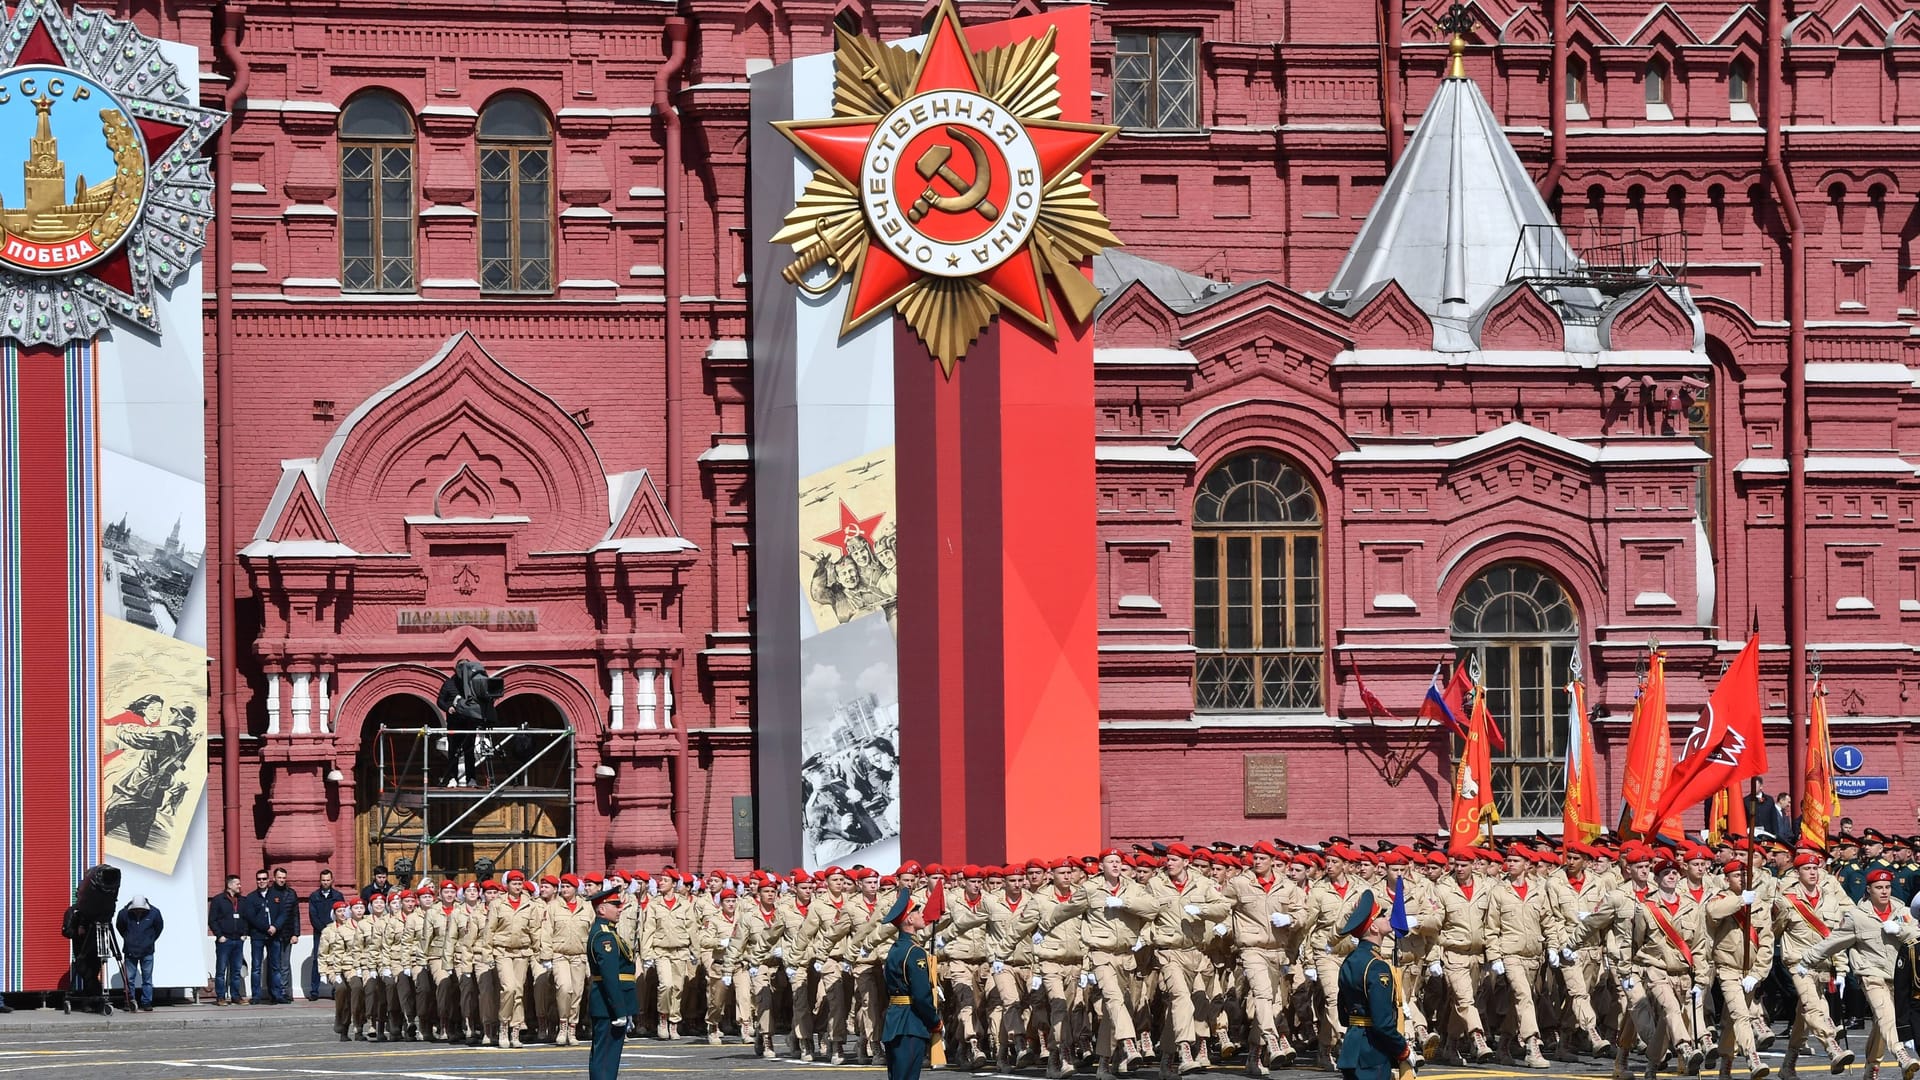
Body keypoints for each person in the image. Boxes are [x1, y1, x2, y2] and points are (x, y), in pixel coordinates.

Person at [1804, 869, 1920, 1080]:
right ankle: (1902, 1056)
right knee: (1887, 1016)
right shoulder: (1857, 916)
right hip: (1871, 975)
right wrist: (1806, 960)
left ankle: (1872, 1066)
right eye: (1878, 888)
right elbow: (1834, 941)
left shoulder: (1903, 912)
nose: (1884, 892)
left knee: (1881, 1024)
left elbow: (1918, 936)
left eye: (1887, 887)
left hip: (1899, 978)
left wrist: (1900, 930)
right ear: (1869, 890)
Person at [1334, 889, 1413, 1080]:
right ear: (1374, 928)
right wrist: (1402, 1049)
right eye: (1381, 916)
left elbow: (1344, 1015)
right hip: (1372, 1051)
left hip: (1352, 1047)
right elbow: (1382, 1023)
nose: (1387, 918)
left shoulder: (1350, 960)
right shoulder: (1377, 966)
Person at [881, 888, 940, 1080]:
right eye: (916, 911)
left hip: (895, 1021)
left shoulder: (895, 949)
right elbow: (921, 996)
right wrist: (935, 1021)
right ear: (909, 920)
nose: (921, 914)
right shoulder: (915, 952)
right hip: (910, 1023)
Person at [588, 882, 638, 1080]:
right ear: (601, 909)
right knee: (606, 1057)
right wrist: (619, 1010)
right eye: (614, 905)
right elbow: (610, 977)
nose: (619, 909)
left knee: (608, 1056)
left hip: (611, 1004)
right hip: (609, 1005)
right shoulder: (603, 937)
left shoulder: (609, 932)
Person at [116, 896, 164, 1011]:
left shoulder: (155, 913)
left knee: (147, 979)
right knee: (129, 979)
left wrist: (150, 940)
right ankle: (129, 1001)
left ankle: (146, 1002)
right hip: (130, 951)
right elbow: (120, 927)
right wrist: (128, 939)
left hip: (147, 951)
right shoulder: (124, 914)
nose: (138, 911)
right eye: (136, 909)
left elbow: (159, 928)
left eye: (141, 909)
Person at [209, 874, 248, 1005]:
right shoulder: (218, 900)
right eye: (237, 884)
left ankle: (235, 996)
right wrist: (219, 935)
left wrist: (245, 933)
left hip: (238, 940)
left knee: (236, 970)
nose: (240, 886)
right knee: (221, 970)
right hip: (224, 941)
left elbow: (246, 918)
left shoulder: (242, 900)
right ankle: (220, 996)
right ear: (230, 885)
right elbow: (212, 920)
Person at [307, 869, 345, 1000]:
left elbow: (341, 913)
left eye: (328, 880)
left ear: (332, 880)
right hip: (320, 933)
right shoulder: (314, 896)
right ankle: (314, 991)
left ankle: (336, 989)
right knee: (318, 960)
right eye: (323, 880)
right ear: (320, 881)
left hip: (335, 932)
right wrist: (324, 930)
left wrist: (333, 929)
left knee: (336, 959)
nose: (325, 882)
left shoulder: (338, 896)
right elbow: (313, 915)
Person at [265, 866, 301, 1003]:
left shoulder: (291, 893)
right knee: (273, 964)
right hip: (273, 934)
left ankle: (285, 992)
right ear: (274, 878)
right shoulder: (269, 893)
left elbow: (295, 915)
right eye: (279, 878)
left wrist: (296, 933)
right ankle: (274, 992)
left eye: (284, 878)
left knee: (285, 964)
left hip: (287, 933)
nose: (282, 880)